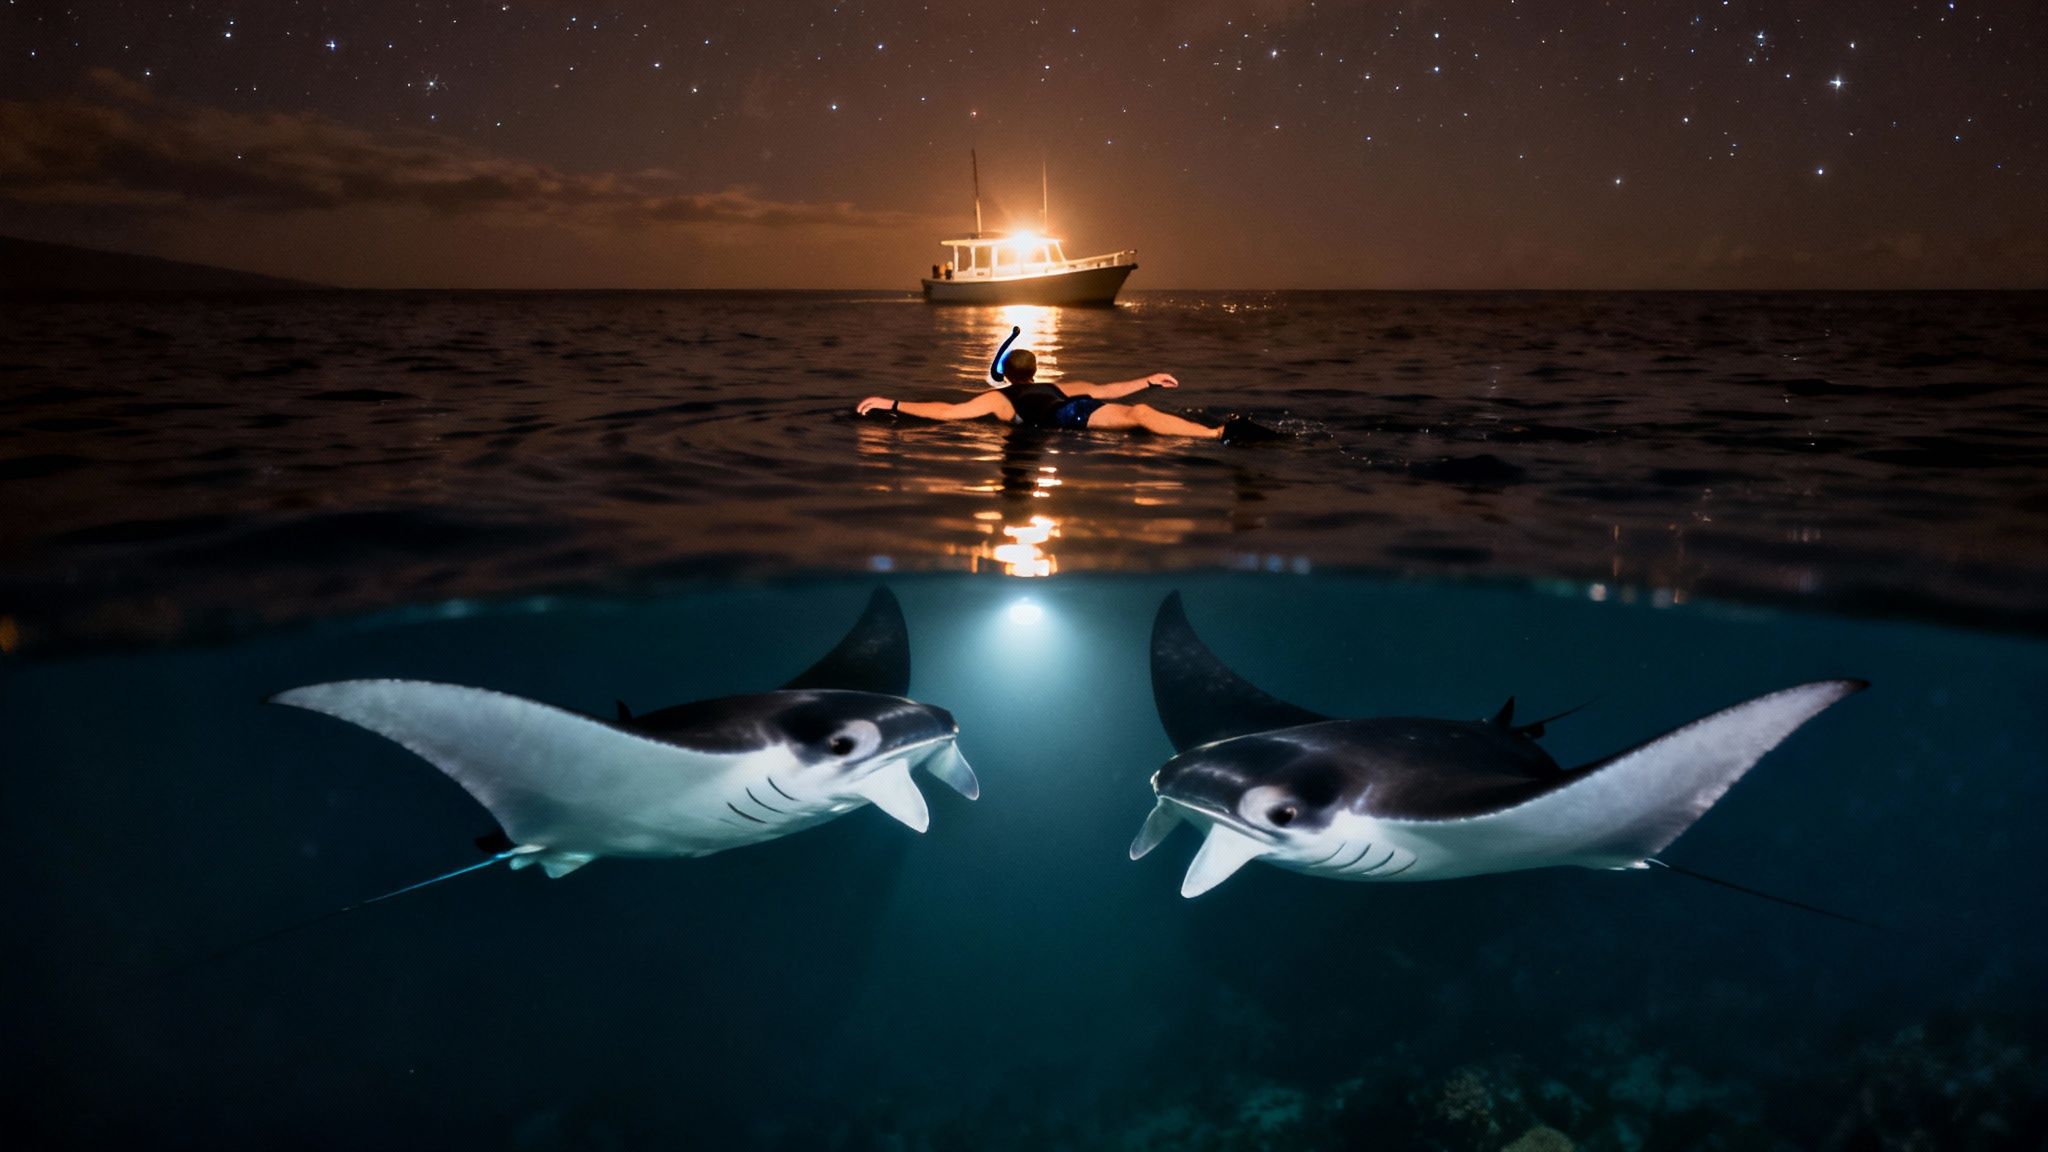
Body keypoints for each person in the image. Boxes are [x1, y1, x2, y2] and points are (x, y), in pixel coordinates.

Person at [856, 337, 1276, 443]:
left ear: (1005, 374)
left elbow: (946, 412)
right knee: (1141, 412)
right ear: (1036, 371)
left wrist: (890, 403)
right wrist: (1147, 379)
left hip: (1068, 419)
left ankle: (1218, 435)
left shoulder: (998, 399)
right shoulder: (1061, 383)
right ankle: (1218, 432)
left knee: (1141, 417)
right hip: (1080, 406)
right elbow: (1109, 388)